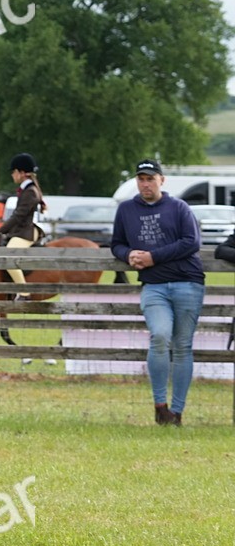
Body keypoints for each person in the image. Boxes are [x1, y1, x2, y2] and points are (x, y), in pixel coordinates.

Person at [110, 158, 205, 427]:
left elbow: (191, 242)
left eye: (150, 178)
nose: (145, 183)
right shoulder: (127, 210)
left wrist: (153, 257)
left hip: (188, 283)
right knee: (160, 336)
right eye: (140, 178)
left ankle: (177, 412)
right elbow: (116, 243)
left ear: (162, 180)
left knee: (183, 345)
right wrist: (128, 254)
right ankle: (160, 405)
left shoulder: (179, 207)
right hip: (154, 287)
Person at [0, 152, 47, 300]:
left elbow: (18, 216)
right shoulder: (26, 190)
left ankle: (24, 293)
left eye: (14, 172)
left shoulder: (30, 192)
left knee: (8, 255)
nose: (12, 175)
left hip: (27, 232)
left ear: (21, 173)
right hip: (21, 231)